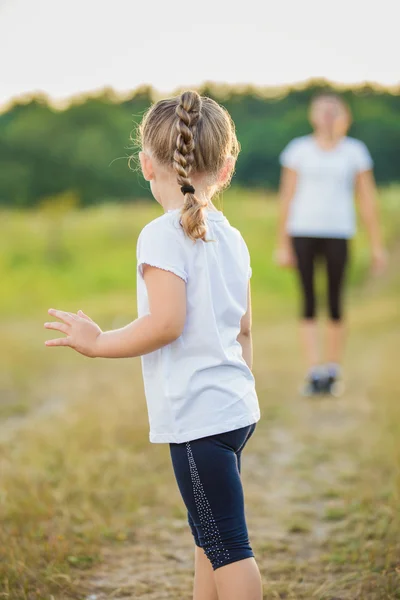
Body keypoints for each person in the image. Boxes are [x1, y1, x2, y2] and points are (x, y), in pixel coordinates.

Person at [44, 91, 263, 600]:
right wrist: (241, 393)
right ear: (226, 167)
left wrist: (98, 343)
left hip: (199, 420)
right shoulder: (232, 235)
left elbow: (166, 323)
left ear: (146, 163)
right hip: (234, 412)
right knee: (207, 537)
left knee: (228, 545)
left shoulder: (162, 234)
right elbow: (244, 328)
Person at [276, 92, 387, 396]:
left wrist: (377, 244)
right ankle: (313, 372)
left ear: (344, 116)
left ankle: (333, 371)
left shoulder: (354, 151)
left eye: (333, 111)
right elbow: (286, 196)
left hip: (339, 232)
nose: (327, 116)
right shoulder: (298, 150)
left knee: (336, 302)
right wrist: (282, 243)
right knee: (309, 300)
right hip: (303, 231)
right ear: (313, 116)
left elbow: (367, 198)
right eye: (322, 111)